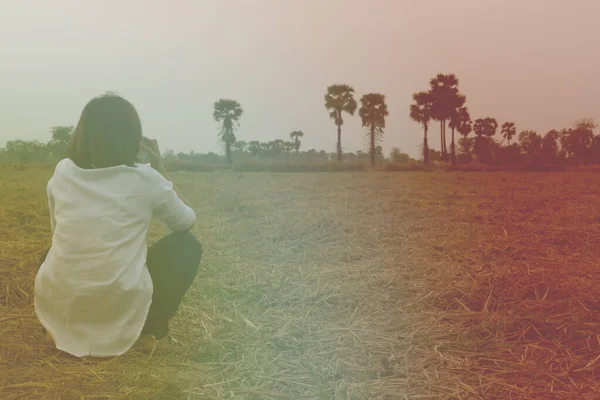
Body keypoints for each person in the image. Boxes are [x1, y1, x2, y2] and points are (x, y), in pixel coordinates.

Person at [34, 93, 203, 358]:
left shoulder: (62, 172)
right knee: (186, 246)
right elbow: (186, 222)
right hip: (121, 296)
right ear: (132, 137)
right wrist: (158, 167)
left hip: (67, 294)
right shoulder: (146, 178)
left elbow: (59, 233)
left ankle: (56, 329)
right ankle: (151, 332)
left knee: (51, 253)